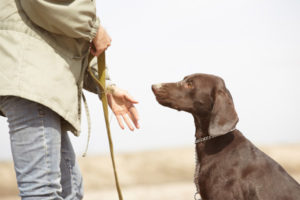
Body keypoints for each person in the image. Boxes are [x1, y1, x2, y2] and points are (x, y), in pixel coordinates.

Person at [0, 0, 139, 199]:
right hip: (33, 76)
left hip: (39, 77)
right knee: (42, 192)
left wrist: (106, 87)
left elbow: (69, 40)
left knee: (70, 192)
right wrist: (94, 28)